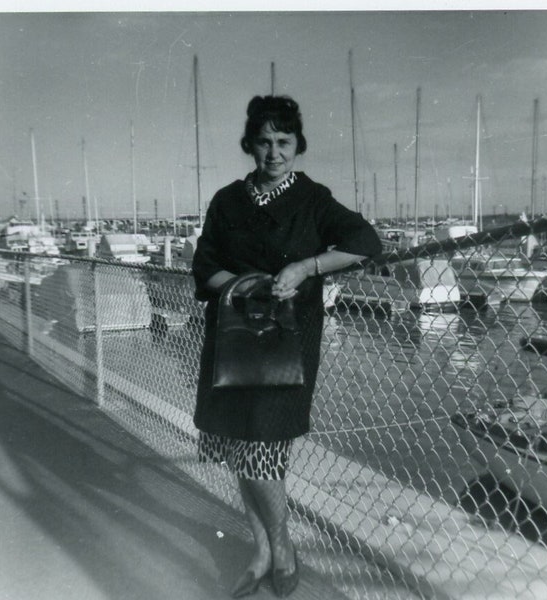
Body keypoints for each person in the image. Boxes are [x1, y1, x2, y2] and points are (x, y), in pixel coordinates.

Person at [192, 95, 381, 598]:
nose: (274, 152)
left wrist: (305, 266)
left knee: (262, 449)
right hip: (232, 338)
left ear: (297, 146)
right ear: (249, 144)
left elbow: (366, 241)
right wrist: (248, 283)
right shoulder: (227, 200)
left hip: (287, 343)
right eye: (264, 141)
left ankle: (282, 547)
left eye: (284, 142)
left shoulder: (314, 199)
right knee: (238, 446)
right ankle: (263, 550)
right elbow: (204, 266)